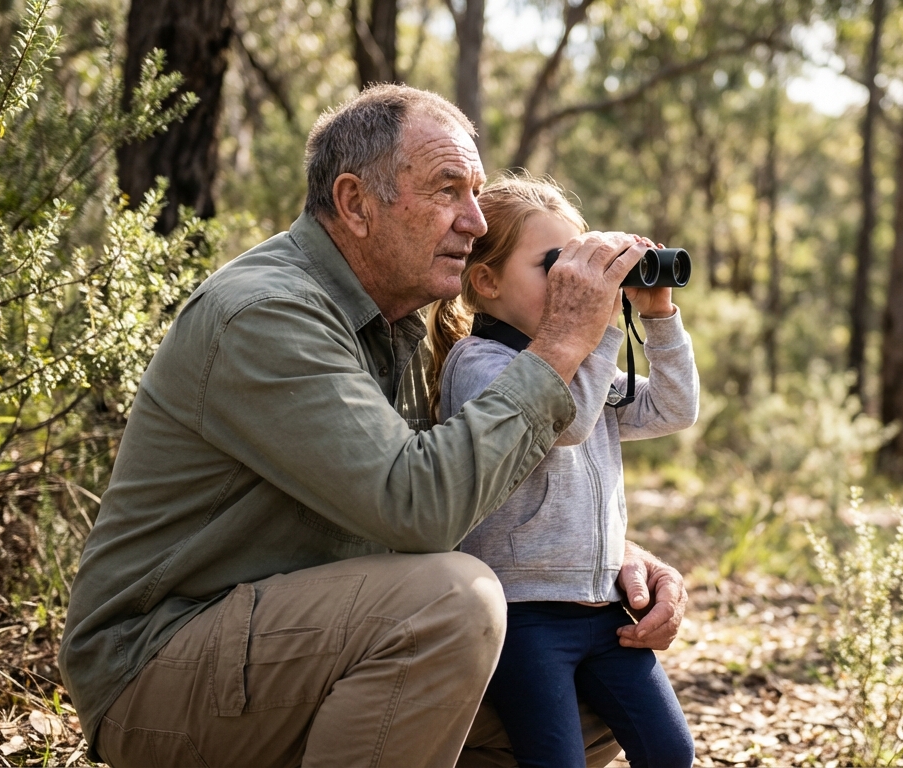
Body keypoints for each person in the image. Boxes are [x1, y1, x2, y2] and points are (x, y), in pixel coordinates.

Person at [58, 84, 688, 768]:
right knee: (451, 602)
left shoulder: (402, 325)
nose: (475, 221)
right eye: (449, 190)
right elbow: (418, 507)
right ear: (356, 203)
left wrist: (610, 552)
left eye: (477, 193)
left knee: (587, 695)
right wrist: (564, 341)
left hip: (294, 650)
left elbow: (461, 484)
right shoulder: (267, 314)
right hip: (160, 669)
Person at [428, 175, 698, 767]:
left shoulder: (587, 372)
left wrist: (658, 314)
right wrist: (594, 324)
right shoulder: (478, 364)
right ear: (486, 281)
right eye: (558, 265)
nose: (579, 281)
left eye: (586, 263)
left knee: (671, 752)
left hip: (602, 608)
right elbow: (566, 420)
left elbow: (674, 408)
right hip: (524, 617)